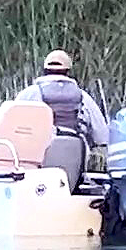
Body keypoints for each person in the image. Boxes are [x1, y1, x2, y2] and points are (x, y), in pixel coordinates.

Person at [32, 49, 112, 177]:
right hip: (75, 154)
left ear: (45, 70)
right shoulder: (82, 96)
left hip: (39, 159)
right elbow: (102, 135)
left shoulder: (30, 93)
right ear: (68, 72)